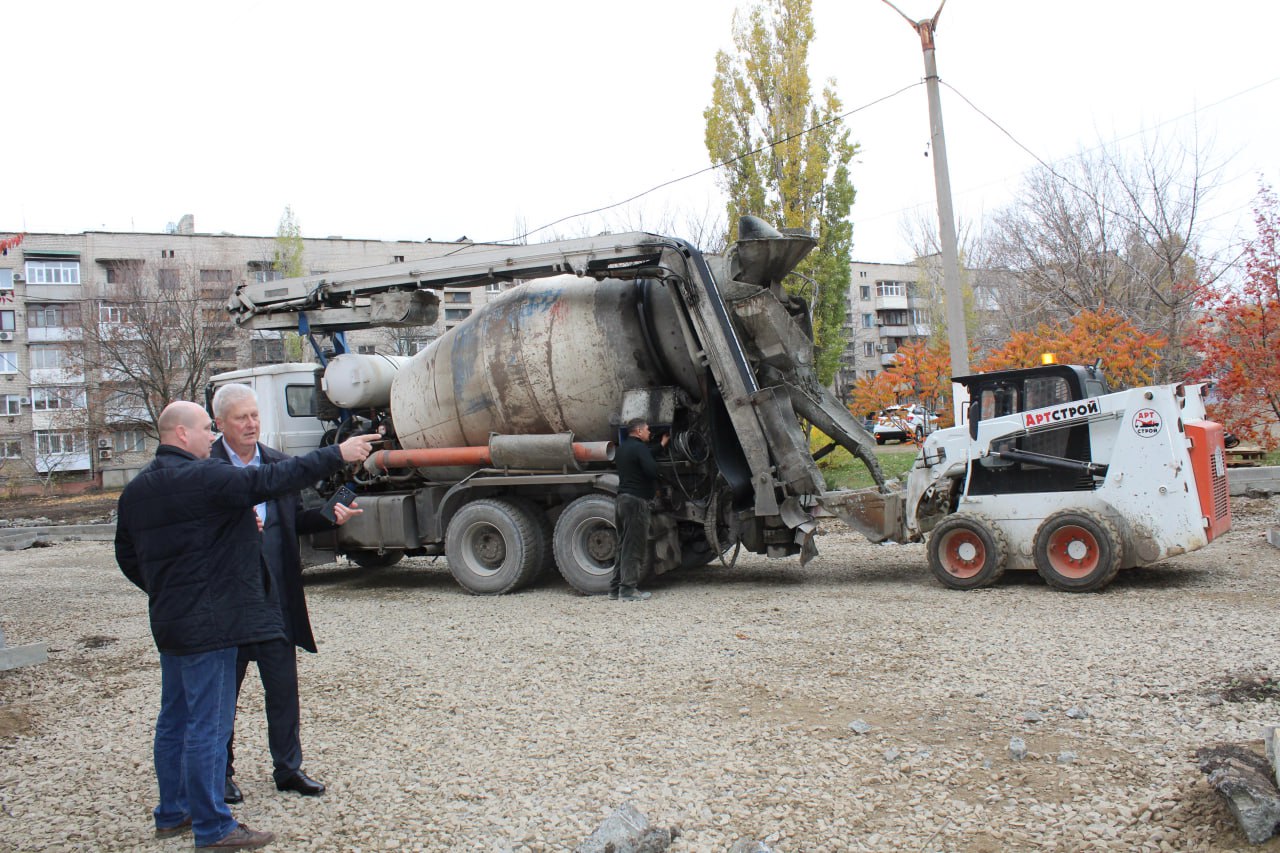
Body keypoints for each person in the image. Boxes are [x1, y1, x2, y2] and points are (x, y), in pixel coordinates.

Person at [115, 401, 375, 850]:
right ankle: (213, 826)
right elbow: (271, 479)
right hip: (212, 625)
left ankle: (172, 812)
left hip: (172, 623)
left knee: (174, 720)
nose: (211, 436)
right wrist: (338, 453)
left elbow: (128, 556)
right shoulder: (204, 476)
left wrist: (167, 593)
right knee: (209, 725)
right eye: (205, 428)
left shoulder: (137, 490)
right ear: (181, 434)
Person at [210, 384, 355, 803]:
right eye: (241, 417)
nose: (251, 424)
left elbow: (295, 520)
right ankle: (221, 773)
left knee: (283, 692)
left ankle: (288, 768)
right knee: (222, 697)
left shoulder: (278, 464)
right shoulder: (206, 468)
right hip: (229, 605)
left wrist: (329, 517)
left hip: (276, 600)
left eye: (255, 415)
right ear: (220, 423)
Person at [610, 417, 667, 602]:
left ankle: (615, 589)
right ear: (639, 431)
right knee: (634, 546)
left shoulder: (623, 449)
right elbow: (651, 469)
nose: (650, 433)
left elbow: (644, 455)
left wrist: (661, 444)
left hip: (622, 501)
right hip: (636, 502)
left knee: (623, 546)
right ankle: (628, 590)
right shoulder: (640, 448)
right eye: (648, 429)